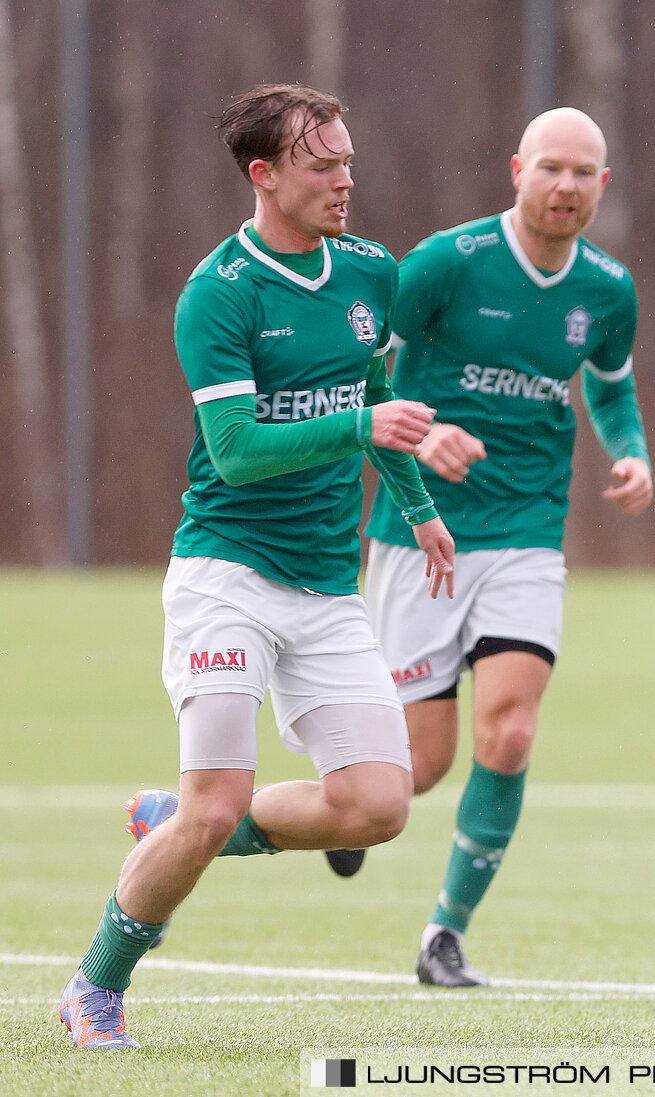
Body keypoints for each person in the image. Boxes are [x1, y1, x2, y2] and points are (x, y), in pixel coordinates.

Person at [57, 84, 454, 1049]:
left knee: (378, 805)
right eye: (324, 165)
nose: (346, 181)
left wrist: (420, 508)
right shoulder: (220, 294)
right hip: (226, 576)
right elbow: (233, 448)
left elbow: (380, 398)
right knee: (214, 809)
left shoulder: (370, 271)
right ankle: (94, 986)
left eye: (350, 161)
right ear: (264, 174)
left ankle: (181, 816)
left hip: (326, 584)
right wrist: (361, 424)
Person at [354, 106, 651, 987]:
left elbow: (612, 387)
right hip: (419, 532)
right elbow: (358, 376)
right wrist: (422, 431)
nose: (564, 186)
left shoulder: (608, 289)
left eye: (581, 173)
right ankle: (223, 820)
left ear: (604, 186)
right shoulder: (447, 263)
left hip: (527, 532)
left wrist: (631, 450)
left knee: (512, 730)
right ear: (516, 169)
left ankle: (445, 932)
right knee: (412, 772)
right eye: (548, 167)